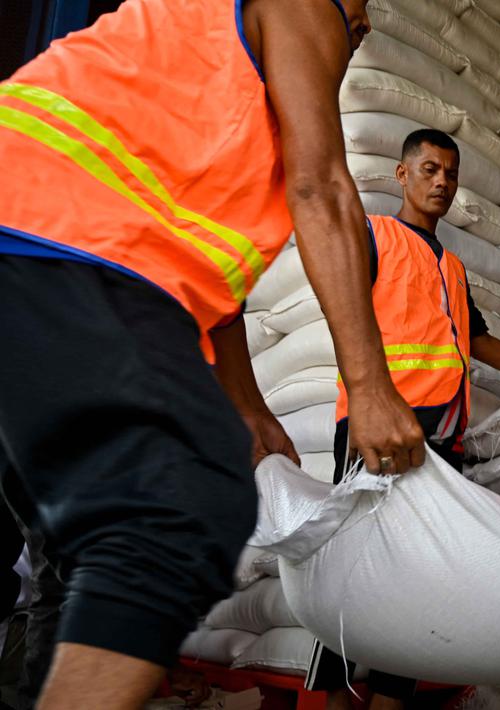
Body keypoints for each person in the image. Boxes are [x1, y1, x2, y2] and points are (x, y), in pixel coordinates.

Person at [0, 1, 433, 706]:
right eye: (357, 7)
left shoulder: (224, 93)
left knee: (85, 544)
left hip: (44, 241)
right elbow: (322, 188)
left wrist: (246, 403)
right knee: (180, 508)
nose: (361, 23)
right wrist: (371, 385)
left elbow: (214, 274)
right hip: (58, 232)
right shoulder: (302, 6)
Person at [307, 129, 500, 710]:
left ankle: (392, 700)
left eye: (451, 173)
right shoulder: (376, 236)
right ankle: (334, 700)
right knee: (353, 571)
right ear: (402, 175)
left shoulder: (455, 268)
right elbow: (342, 306)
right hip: (376, 428)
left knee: (419, 576)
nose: (442, 181)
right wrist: (368, 396)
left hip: (441, 441)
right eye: (430, 169)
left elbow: (482, 343)